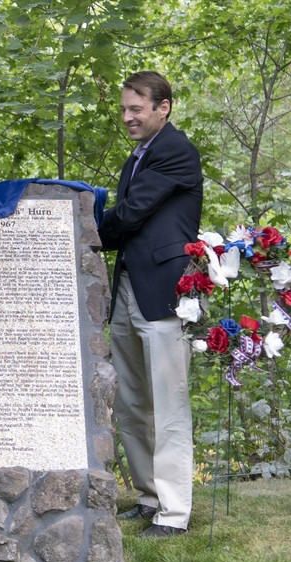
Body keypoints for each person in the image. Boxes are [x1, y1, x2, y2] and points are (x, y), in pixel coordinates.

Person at [97, 71, 203, 538]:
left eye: (136, 109)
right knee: (132, 400)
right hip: (129, 289)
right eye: (123, 109)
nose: (127, 117)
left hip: (163, 292)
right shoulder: (137, 156)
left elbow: (132, 211)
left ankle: (175, 513)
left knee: (169, 403)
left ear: (164, 107)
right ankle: (148, 497)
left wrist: (80, 232)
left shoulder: (175, 150)